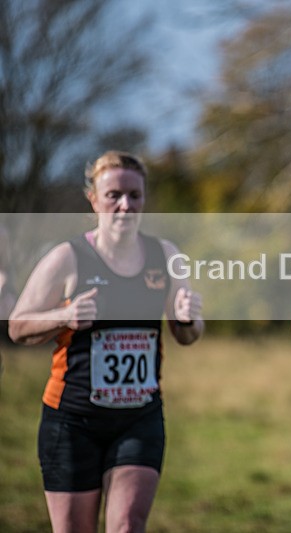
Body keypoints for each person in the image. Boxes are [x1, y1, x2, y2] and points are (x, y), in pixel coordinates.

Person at [9, 150, 204, 533]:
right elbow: (17, 326)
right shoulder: (68, 257)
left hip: (140, 417)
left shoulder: (164, 255)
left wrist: (186, 318)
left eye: (135, 195)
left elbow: (189, 335)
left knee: (128, 525)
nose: (125, 204)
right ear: (93, 198)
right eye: (113, 194)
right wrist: (64, 316)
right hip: (72, 419)